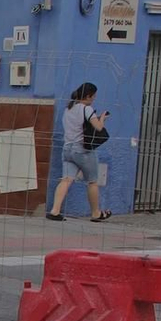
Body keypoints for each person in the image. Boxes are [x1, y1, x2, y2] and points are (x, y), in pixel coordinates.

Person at [49, 80, 112, 223]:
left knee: (66, 179)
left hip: (67, 149)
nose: (94, 99)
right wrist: (102, 118)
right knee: (92, 181)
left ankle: (55, 210)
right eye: (94, 96)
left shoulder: (68, 108)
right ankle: (96, 213)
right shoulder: (86, 109)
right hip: (82, 150)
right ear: (89, 96)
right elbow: (98, 128)